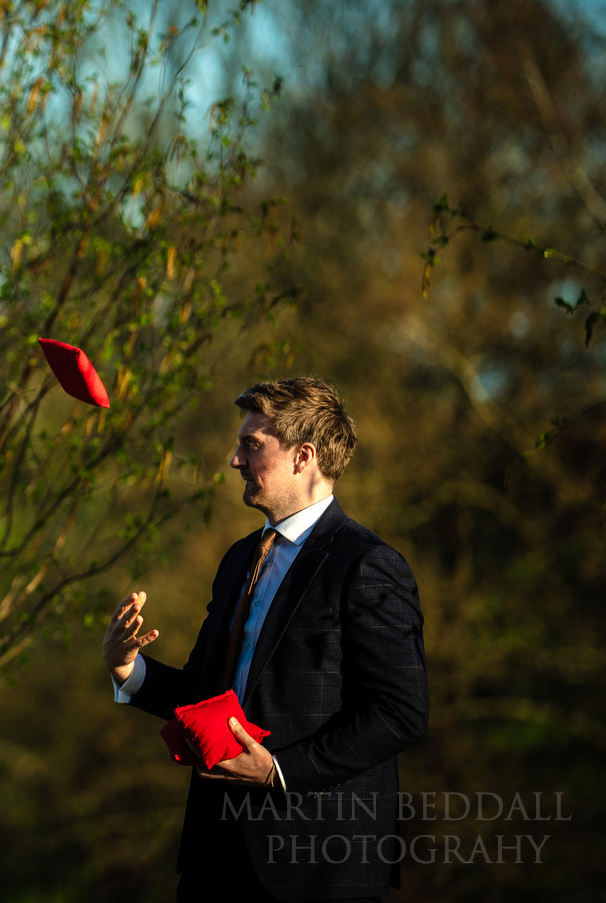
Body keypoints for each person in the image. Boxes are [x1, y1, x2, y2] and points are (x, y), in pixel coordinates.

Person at [102, 378, 427, 902]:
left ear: (304, 457)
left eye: (252, 445)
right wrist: (129, 671)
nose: (234, 460)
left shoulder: (367, 565)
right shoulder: (238, 559)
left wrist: (278, 771)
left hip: (316, 870)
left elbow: (400, 711)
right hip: (215, 858)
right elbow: (207, 698)